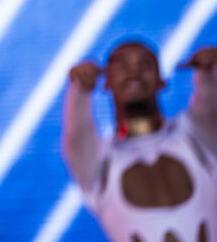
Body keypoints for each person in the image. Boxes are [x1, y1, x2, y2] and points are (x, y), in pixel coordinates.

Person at [63, 41, 217, 241]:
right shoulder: (100, 165)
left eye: (145, 65)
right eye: (123, 66)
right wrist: (79, 89)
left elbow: (210, 106)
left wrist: (208, 72)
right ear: (107, 82)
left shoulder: (196, 138)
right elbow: (77, 133)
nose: (134, 72)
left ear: (162, 81)